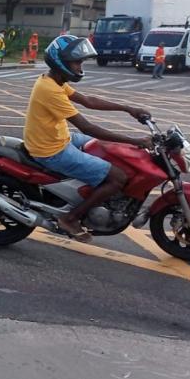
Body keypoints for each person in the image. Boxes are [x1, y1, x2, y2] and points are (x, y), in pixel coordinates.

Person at [24, 35, 152, 243]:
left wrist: (128, 108)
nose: (80, 66)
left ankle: (88, 196)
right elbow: (87, 127)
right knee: (117, 178)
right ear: (61, 62)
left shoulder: (55, 81)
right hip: (51, 150)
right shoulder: (50, 90)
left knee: (109, 149)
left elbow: (88, 101)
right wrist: (136, 141)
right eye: (77, 61)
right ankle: (70, 218)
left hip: (60, 137)